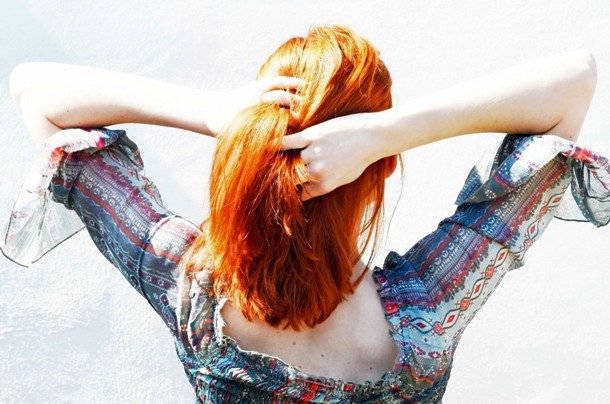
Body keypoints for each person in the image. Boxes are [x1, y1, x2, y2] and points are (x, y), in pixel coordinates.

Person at [2, 25, 608, 403]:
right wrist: (389, 132)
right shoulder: (429, 308)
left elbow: (36, 92)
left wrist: (213, 114)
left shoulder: (192, 290)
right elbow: (573, 83)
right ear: (380, 170)